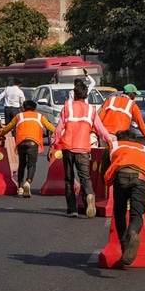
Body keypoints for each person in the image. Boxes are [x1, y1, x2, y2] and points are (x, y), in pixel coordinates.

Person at [51, 81, 115, 218]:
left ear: (74, 94)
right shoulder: (91, 110)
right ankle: (89, 195)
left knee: (69, 179)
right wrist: (109, 141)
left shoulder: (67, 107)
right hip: (83, 148)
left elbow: (59, 128)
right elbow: (100, 129)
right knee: (85, 177)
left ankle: (72, 209)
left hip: (67, 146)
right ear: (86, 95)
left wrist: (52, 144)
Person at [104, 130, 145, 266]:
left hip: (121, 176)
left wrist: (107, 182)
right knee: (136, 214)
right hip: (141, 177)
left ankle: (125, 247)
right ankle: (133, 232)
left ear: (119, 139)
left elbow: (104, 170)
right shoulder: (144, 149)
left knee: (119, 213)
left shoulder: (113, 146)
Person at [0, 100, 55, 197]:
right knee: (31, 165)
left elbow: (8, 127)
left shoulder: (19, 116)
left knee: (22, 164)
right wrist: (61, 133)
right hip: (33, 143)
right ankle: (28, 182)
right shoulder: (40, 116)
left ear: (24, 108)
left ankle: (20, 187)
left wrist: (0, 134)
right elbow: (51, 128)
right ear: (34, 108)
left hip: (21, 142)